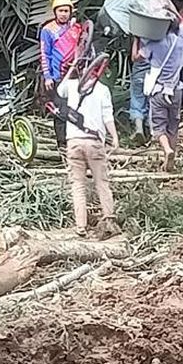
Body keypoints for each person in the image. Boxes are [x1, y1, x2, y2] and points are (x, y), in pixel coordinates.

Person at [57, 66, 121, 237]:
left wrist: (71, 68)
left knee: (78, 185)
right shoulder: (102, 90)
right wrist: (114, 137)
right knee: (102, 182)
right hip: (94, 142)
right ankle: (108, 219)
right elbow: (108, 117)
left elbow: (59, 90)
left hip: (74, 142)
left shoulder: (71, 86)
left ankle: (81, 226)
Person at [141, 15, 183, 172]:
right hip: (176, 90)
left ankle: (167, 150)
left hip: (159, 91)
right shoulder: (180, 41)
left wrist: (137, 38)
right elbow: (180, 23)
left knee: (159, 127)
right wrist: (170, 8)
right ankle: (171, 160)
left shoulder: (154, 44)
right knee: (173, 126)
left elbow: (137, 57)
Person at [39, 0, 83, 149]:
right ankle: (62, 144)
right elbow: (45, 54)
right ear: (55, 12)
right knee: (60, 111)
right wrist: (47, 76)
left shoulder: (76, 28)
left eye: (66, 11)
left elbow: (83, 47)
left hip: (76, 75)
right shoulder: (47, 30)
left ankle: (75, 141)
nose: (63, 14)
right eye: (60, 11)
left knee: (77, 107)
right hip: (58, 76)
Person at [129, 38, 150, 139]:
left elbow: (134, 57)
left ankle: (139, 129)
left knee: (137, 100)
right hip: (154, 73)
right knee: (153, 102)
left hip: (139, 70)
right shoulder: (162, 37)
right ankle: (153, 133)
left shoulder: (141, 32)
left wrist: (136, 40)